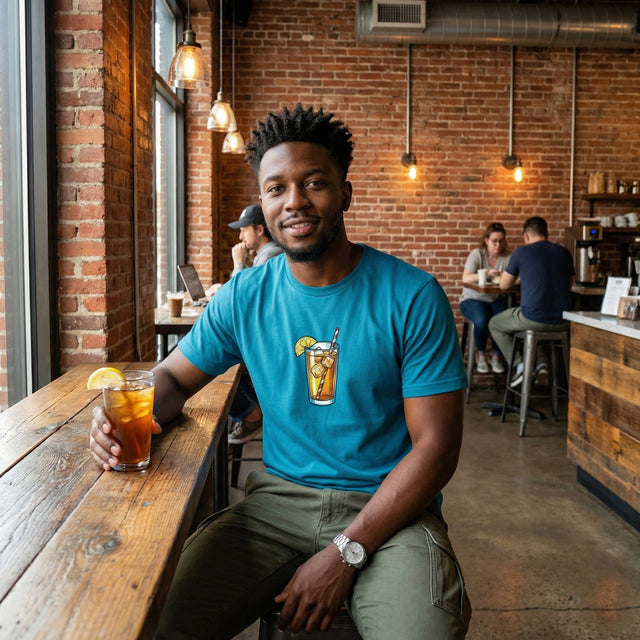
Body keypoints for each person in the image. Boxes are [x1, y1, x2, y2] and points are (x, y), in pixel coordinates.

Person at [90, 104, 471, 640]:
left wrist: (346, 552)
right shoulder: (245, 296)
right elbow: (173, 380)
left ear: (345, 194)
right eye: (276, 189)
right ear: (263, 203)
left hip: (390, 514)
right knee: (149, 619)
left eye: (313, 183)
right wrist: (121, 412)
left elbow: (436, 450)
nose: (294, 202)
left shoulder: (411, 296)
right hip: (277, 507)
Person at [207, 204, 284, 445]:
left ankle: (252, 415)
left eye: (244, 230)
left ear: (260, 230)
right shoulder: (264, 255)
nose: (240, 236)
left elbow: (242, 301)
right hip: (265, 337)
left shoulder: (271, 254)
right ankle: (251, 410)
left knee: (214, 362)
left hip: (271, 344)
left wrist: (238, 263)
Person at [489, 216, 575, 387]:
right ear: (546, 233)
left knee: (495, 323)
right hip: (564, 321)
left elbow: (504, 285)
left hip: (534, 318)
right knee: (527, 328)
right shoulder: (564, 252)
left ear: (526, 236)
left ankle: (520, 366)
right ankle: (541, 363)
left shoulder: (521, 252)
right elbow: (570, 283)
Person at [460, 222, 511, 374]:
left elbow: (518, 277)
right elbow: (466, 278)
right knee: (482, 320)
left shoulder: (508, 257)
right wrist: (487, 274)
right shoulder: (477, 254)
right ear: (486, 240)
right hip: (472, 299)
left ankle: (496, 355)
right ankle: (480, 353)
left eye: (501, 241)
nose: (498, 244)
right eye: (494, 240)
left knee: (505, 321)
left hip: (495, 299)